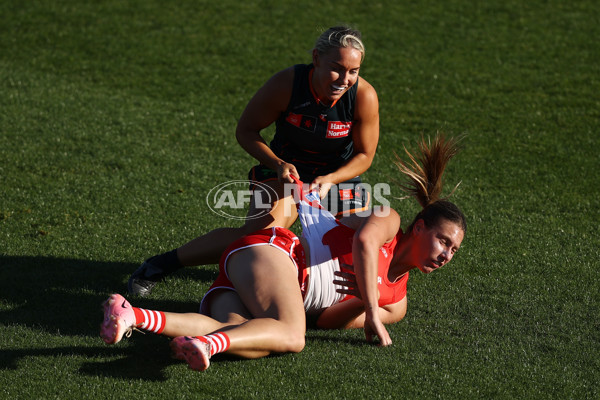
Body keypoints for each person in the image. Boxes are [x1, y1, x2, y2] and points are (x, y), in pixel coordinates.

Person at [101, 134, 466, 372]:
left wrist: (358, 300)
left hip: (262, 283)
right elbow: (365, 243)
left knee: (246, 337)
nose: (446, 254)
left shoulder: (397, 304)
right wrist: (372, 308)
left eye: (453, 250)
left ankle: (133, 316)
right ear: (419, 228)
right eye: (443, 241)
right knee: (292, 336)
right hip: (276, 252)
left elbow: (324, 320)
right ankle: (205, 339)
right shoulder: (390, 220)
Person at [128, 25, 380, 297]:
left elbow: (365, 154)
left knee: (359, 243)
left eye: (353, 71)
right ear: (316, 58)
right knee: (261, 237)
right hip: (284, 171)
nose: (344, 79)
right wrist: (277, 164)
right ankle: (160, 264)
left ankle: (308, 289)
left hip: (336, 177)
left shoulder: (363, 96)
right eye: (337, 67)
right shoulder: (287, 84)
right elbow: (246, 130)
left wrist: (331, 179)